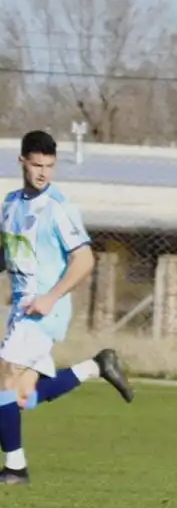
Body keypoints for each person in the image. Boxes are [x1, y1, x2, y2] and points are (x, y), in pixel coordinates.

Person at [0, 130, 133, 484]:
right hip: (22, 310)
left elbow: (84, 260)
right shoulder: (11, 203)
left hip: (45, 310)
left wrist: (51, 296)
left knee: (3, 379)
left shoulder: (59, 208)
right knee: (22, 397)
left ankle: (15, 467)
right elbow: (9, 252)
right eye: (36, 165)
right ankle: (96, 366)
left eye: (50, 166)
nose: (43, 173)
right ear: (22, 162)